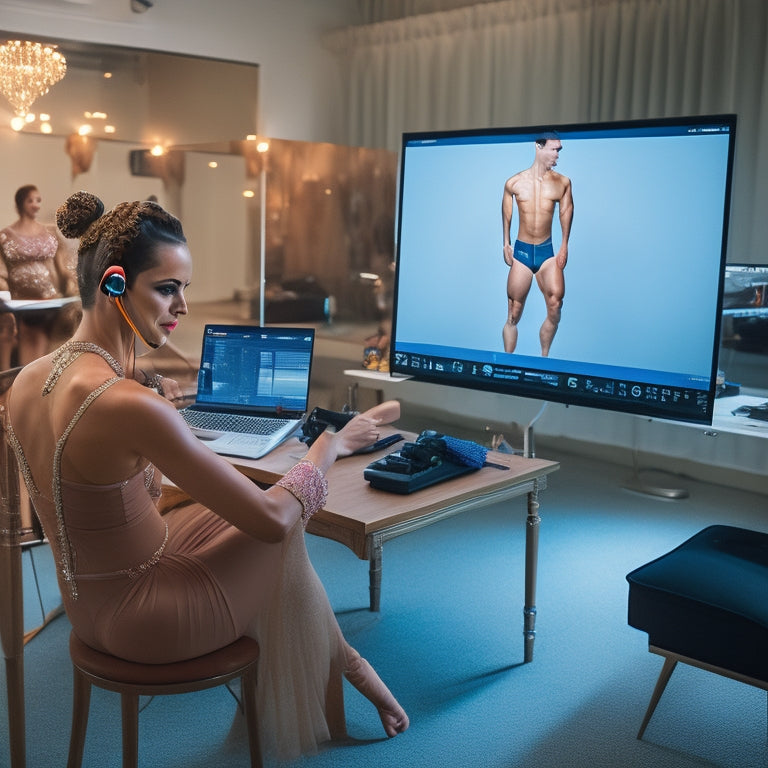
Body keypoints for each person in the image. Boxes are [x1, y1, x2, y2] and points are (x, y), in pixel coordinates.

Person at [5, 191, 409, 760]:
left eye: (184, 289)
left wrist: (157, 410)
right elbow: (270, 520)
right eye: (168, 288)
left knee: (222, 511)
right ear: (115, 284)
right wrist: (328, 445)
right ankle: (355, 671)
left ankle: (348, 669)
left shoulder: (31, 378)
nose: (182, 306)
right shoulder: (123, 402)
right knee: (283, 521)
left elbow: (105, 489)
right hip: (148, 619)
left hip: (87, 604)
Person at [501, 133, 574, 356]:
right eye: (554, 149)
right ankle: (507, 363)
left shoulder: (562, 182)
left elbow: (565, 211)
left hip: (547, 252)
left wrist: (564, 246)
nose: (557, 155)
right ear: (538, 147)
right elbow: (506, 211)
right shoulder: (514, 182)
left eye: (559, 150)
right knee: (514, 312)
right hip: (522, 251)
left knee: (556, 305)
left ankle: (544, 360)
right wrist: (505, 242)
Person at [0, 185, 79, 366]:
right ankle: (27, 377)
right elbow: (1, 272)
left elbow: (62, 265)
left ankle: (40, 376)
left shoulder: (49, 232)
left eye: (38, 201)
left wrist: (72, 282)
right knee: (28, 335)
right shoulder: (5, 235)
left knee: (48, 339)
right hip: (22, 302)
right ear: (20, 204)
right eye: (31, 201)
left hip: (50, 299)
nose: (35, 205)